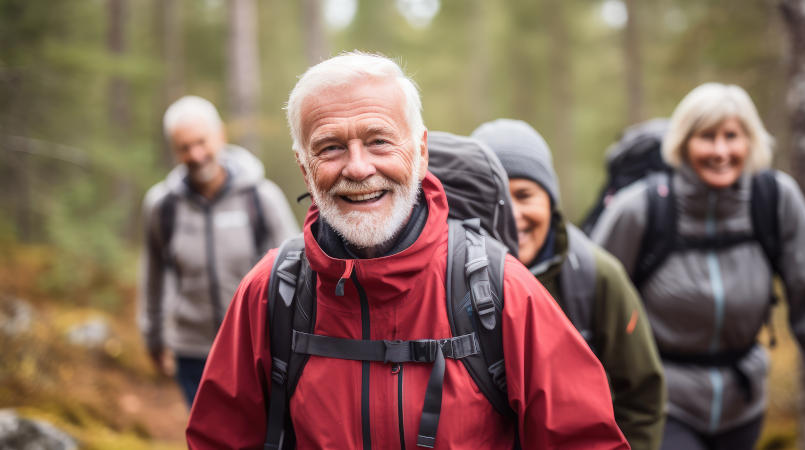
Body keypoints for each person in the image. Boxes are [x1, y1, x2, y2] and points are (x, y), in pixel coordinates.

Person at [186, 51, 630, 449]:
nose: (358, 168)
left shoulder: (502, 290)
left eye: (379, 140)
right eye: (330, 148)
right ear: (305, 170)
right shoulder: (269, 294)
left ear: (420, 152)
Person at [589, 83, 805, 449]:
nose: (721, 151)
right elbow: (590, 300)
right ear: (683, 143)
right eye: (707, 137)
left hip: (743, 402)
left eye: (732, 136)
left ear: (750, 141)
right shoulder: (640, 209)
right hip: (660, 398)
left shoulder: (773, 200)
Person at [471, 119, 666, 450]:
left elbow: (641, 398)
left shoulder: (596, 276)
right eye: (496, 196)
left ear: (550, 200)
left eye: (524, 195)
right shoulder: (445, 280)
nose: (512, 213)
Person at [138, 95, 300, 408]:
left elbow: (296, 270)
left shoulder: (262, 198)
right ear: (174, 150)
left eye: (202, 141)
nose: (196, 154)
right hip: (193, 351)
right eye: (185, 147)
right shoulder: (162, 206)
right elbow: (153, 275)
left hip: (256, 347)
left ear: (221, 136)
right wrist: (154, 338)